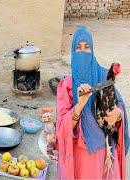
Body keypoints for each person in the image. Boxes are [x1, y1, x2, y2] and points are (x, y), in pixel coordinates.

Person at [55, 27, 129, 179]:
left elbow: (120, 106)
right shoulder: (67, 85)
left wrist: (118, 114)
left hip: (105, 155)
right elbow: (62, 128)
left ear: (92, 50)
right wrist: (79, 106)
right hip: (79, 158)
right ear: (73, 53)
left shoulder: (103, 77)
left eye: (87, 47)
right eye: (78, 48)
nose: (83, 52)